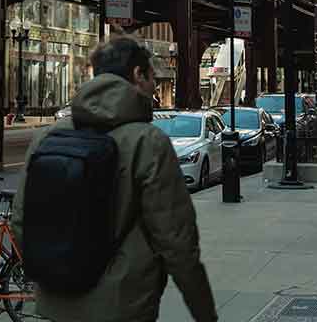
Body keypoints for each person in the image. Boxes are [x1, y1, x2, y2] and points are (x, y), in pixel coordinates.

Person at [11, 37, 218, 322]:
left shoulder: (46, 137)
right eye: (152, 78)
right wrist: (205, 313)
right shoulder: (148, 141)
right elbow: (177, 242)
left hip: (56, 304)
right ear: (137, 75)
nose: (155, 87)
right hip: (123, 306)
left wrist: (54, 273)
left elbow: (21, 220)